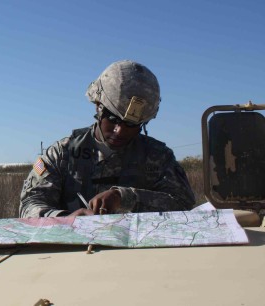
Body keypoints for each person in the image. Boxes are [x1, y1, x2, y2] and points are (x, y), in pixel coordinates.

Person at [19, 60, 195, 218]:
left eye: (131, 125)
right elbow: (30, 204)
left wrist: (125, 198)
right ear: (98, 107)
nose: (120, 131)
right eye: (113, 119)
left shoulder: (159, 157)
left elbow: (183, 203)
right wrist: (66, 219)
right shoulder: (61, 153)